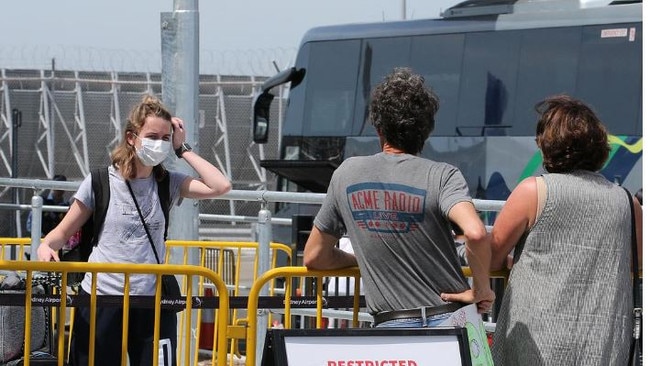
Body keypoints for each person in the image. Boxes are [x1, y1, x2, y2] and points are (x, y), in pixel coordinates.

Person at [36, 94, 232, 366]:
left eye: (165, 138)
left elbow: (220, 186)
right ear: (131, 137)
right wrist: (46, 248)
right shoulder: (101, 181)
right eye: (152, 136)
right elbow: (59, 235)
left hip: (150, 300)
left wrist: (181, 149)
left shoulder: (168, 182)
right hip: (102, 298)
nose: (159, 144)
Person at [303, 67, 495, 328]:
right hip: (452, 321)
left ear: (378, 128)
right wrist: (481, 289)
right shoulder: (443, 175)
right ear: (427, 130)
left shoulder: (346, 174)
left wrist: (362, 258)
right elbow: (475, 233)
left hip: (392, 328)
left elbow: (315, 257)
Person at [489, 95, 643, 365]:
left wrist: (513, 263)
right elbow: (636, 267)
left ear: (548, 143)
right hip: (603, 347)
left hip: (536, 347)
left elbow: (491, 257)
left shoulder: (532, 192)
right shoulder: (628, 203)